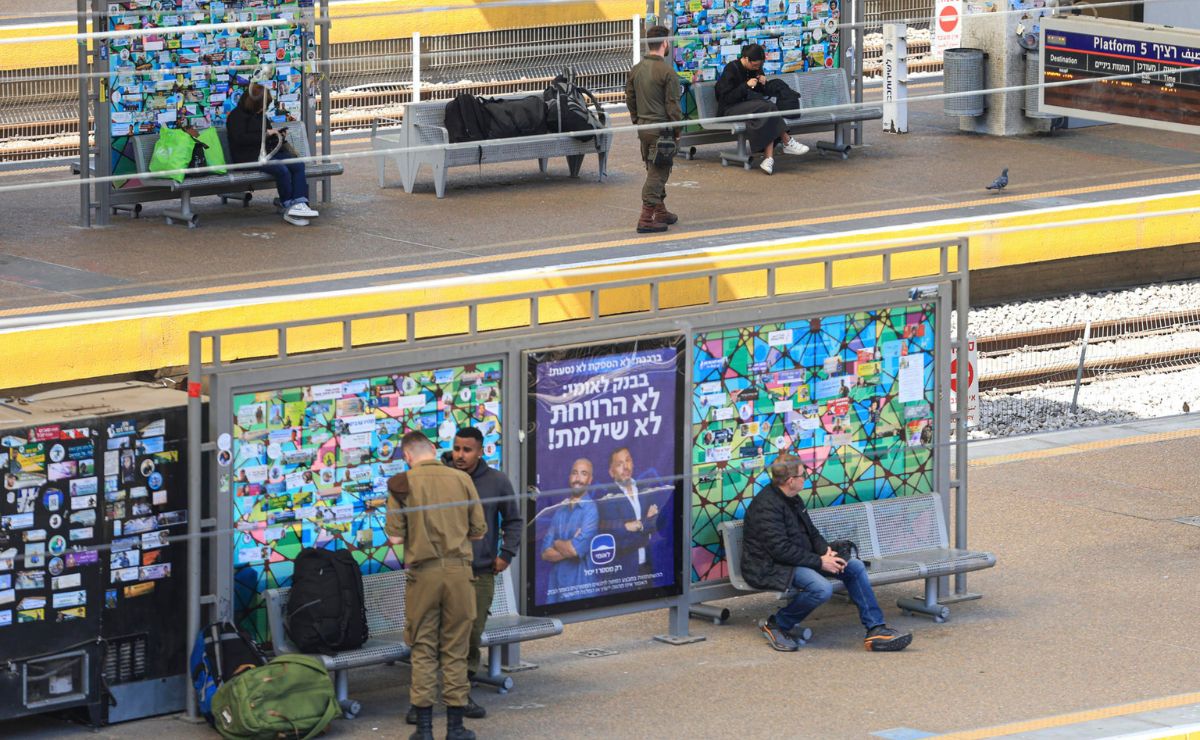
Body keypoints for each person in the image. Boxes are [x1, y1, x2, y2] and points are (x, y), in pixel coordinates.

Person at [403, 427, 522, 726]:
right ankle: (424, 703)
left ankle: (460, 694)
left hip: (478, 572)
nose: (460, 455)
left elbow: (513, 519)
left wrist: (506, 554)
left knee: (468, 636)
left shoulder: (496, 481)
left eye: (467, 450)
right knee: (429, 639)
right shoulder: (442, 478)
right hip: (435, 571)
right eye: (456, 448)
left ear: (481, 451)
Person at [741, 454, 913, 652]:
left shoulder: (792, 498)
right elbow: (780, 550)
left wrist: (826, 552)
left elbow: (812, 532)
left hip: (800, 558)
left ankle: (876, 629)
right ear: (790, 481)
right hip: (771, 565)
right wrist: (819, 562)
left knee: (854, 566)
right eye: (802, 475)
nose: (805, 477)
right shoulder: (766, 507)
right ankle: (776, 624)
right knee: (821, 588)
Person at [386, 431, 486, 740]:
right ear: (432, 448)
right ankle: (455, 728)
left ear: (407, 456)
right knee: (456, 648)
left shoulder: (402, 483)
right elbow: (479, 532)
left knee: (424, 649)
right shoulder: (461, 479)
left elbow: (396, 539)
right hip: (459, 575)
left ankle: (425, 730)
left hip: (423, 575)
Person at [226, 82, 319, 227]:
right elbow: (240, 140)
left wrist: (278, 135)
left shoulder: (260, 116)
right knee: (281, 169)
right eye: (263, 105)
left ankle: (300, 203)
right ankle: (288, 204)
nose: (265, 109)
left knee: (297, 165)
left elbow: (268, 137)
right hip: (248, 157)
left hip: (268, 153)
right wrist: (265, 134)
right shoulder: (235, 117)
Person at [714, 43, 810, 176]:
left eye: (759, 65)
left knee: (767, 112)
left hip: (752, 106)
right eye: (754, 65)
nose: (757, 68)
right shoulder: (732, 68)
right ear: (746, 59)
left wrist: (763, 83)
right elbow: (725, 97)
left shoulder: (757, 67)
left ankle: (768, 159)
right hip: (730, 109)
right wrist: (746, 86)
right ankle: (787, 141)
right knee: (768, 107)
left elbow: (759, 92)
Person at [625, 25, 682, 234]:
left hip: (644, 129)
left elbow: (630, 99)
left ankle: (661, 211)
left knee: (654, 167)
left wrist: (636, 120)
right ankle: (646, 218)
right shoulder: (667, 72)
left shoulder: (636, 69)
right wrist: (677, 131)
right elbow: (673, 106)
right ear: (665, 43)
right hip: (662, 131)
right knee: (658, 173)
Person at [540, 458, 599, 604]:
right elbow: (545, 553)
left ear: (590, 480)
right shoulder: (560, 511)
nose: (578, 478)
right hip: (557, 590)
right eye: (574, 473)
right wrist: (569, 545)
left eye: (583, 474)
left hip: (581, 592)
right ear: (569, 477)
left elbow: (574, 550)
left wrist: (557, 542)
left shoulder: (591, 510)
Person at [597, 447, 658, 578]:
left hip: (648, 568)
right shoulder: (608, 499)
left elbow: (656, 524)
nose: (625, 467)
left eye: (628, 460)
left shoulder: (645, 491)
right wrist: (646, 530)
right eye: (619, 464)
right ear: (611, 472)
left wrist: (635, 526)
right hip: (623, 574)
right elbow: (619, 543)